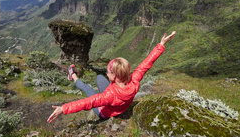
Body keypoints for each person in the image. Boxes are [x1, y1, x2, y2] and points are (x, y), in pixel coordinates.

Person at [47, 31, 176, 124]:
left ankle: (73, 76)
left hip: (105, 113)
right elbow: (146, 64)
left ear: (115, 76)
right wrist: (161, 44)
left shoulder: (109, 95)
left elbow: (88, 103)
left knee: (87, 89)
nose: (107, 73)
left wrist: (63, 108)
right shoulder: (134, 79)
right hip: (120, 104)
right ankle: (77, 77)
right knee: (99, 77)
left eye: (108, 72)